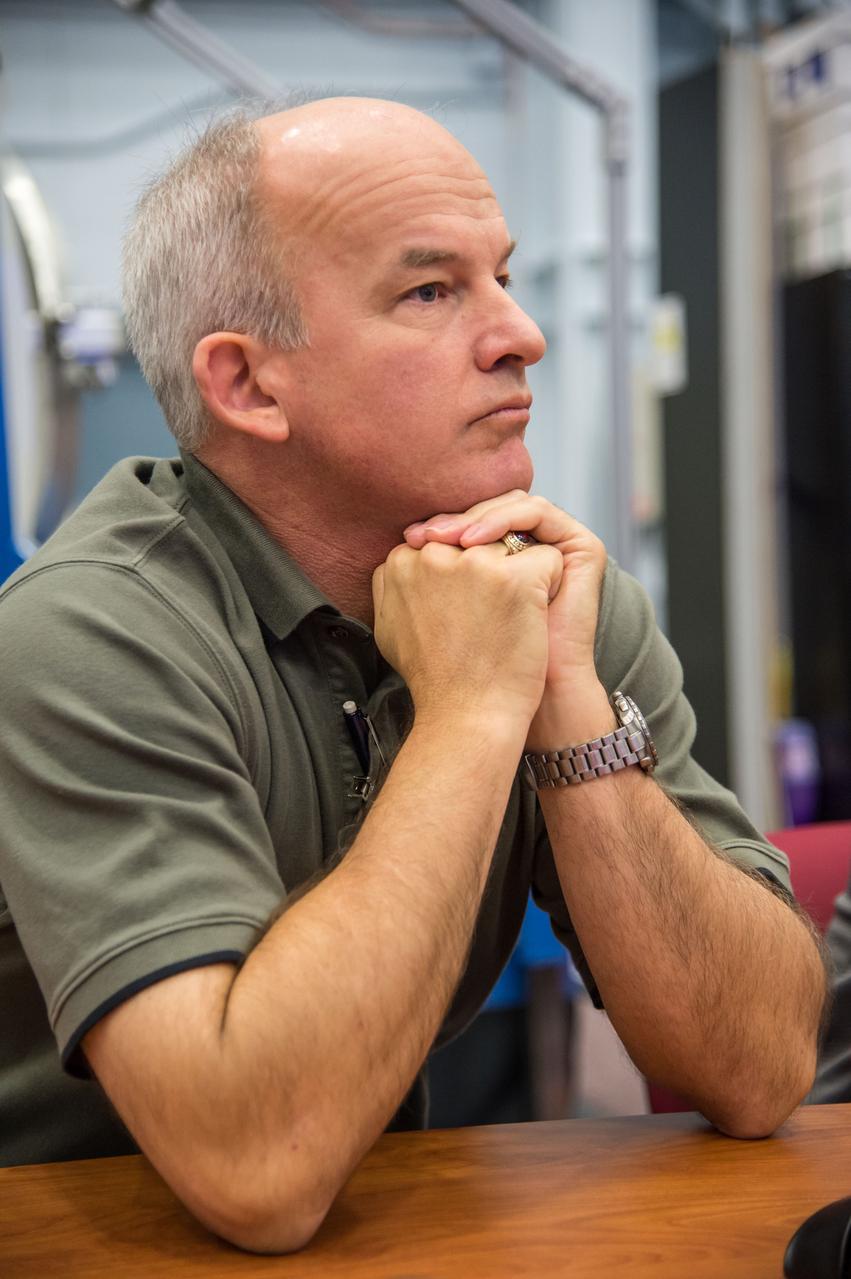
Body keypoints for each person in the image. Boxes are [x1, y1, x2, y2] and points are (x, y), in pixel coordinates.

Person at [0, 97, 826, 1253]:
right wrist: (476, 705)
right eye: (430, 292)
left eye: (502, 276)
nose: (521, 333)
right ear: (246, 385)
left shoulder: (542, 594)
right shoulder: (85, 633)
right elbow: (257, 1164)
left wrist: (562, 701)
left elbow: (759, 1067)